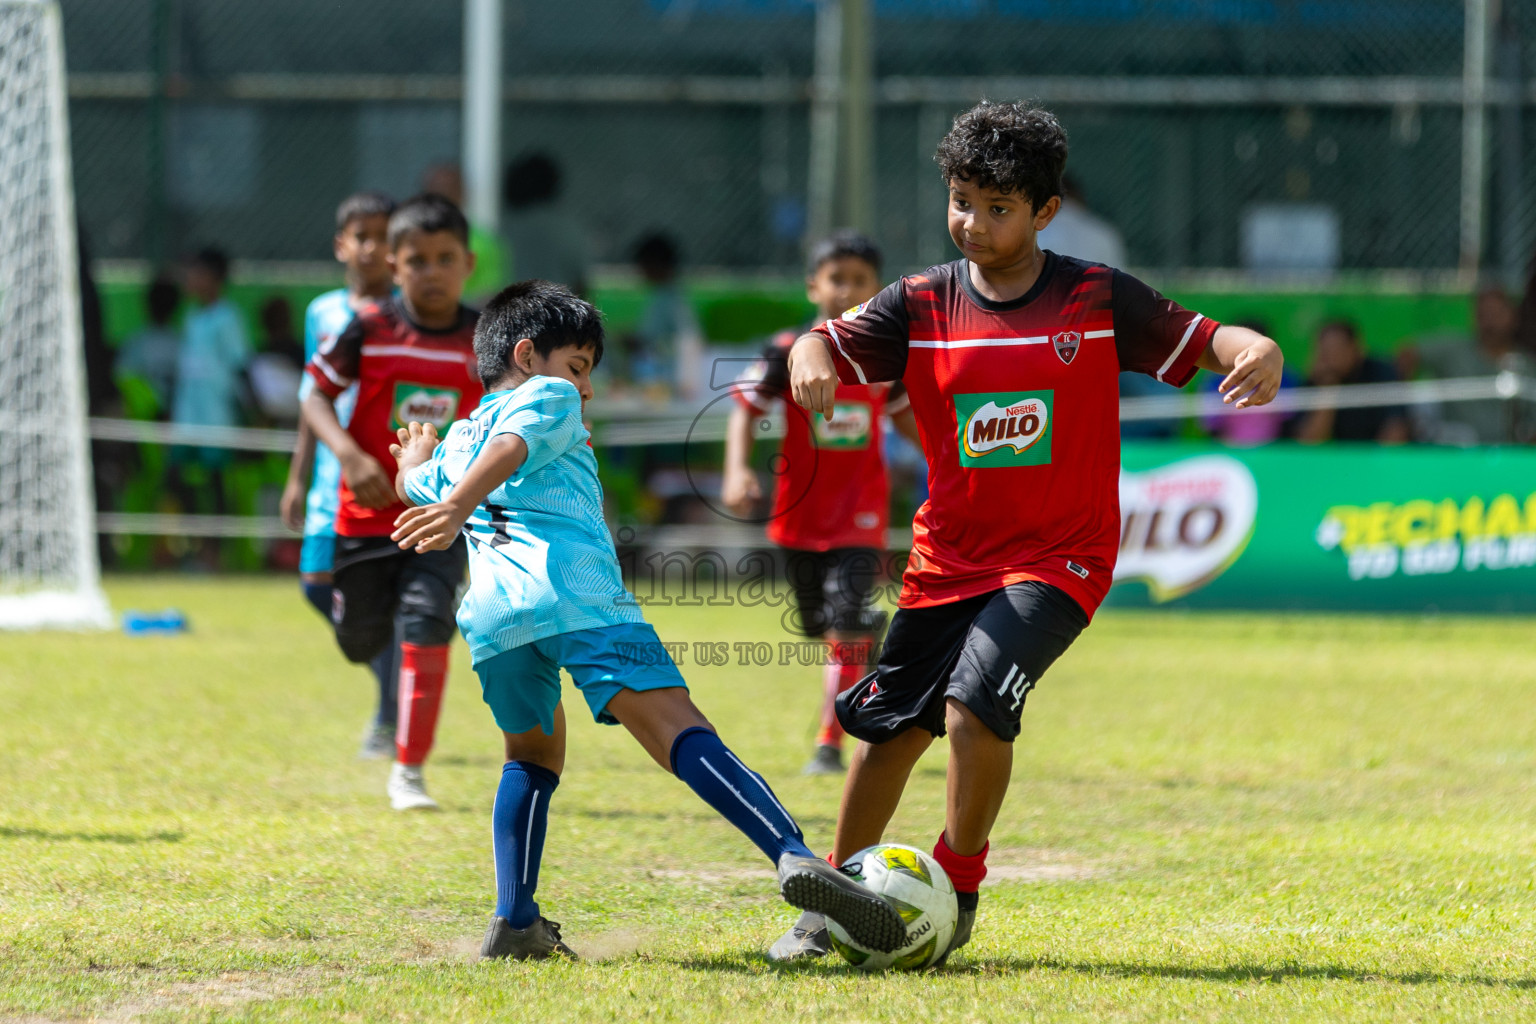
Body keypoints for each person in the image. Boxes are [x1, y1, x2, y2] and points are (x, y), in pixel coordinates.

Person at [774, 101, 1283, 963]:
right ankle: (831, 901)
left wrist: (1254, 346)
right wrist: (813, 358)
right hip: (947, 558)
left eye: (998, 207)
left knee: (975, 706)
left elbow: (1202, 336)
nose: (974, 222)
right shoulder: (921, 303)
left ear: (1046, 212)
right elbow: (821, 342)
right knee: (890, 729)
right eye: (962, 200)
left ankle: (957, 882)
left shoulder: (1095, 296)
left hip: (1061, 557)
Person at [386, 279, 906, 961]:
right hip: (577, 596)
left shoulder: (457, 438)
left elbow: (416, 486)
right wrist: (457, 505)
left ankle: (515, 921)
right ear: (526, 353)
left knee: (531, 758)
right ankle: (793, 854)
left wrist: (416, 469)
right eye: (579, 366)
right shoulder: (547, 394)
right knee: (680, 730)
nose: (586, 389)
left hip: (492, 616)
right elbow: (510, 447)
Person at [302, 194, 482, 810]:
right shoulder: (371, 328)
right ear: (395, 267)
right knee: (359, 637)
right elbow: (315, 396)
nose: (431, 271)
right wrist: (351, 458)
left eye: (444, 258)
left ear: (468, 263)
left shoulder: (486, 341)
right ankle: (373, 665)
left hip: (436, 520)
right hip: (364, 518)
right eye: (417, 260)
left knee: (428, 622)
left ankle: (408, 771)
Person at [720, 230, 918, 776]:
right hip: (799, 518)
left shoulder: (883, 358)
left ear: (877, 289)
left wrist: (950, 465)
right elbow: (743, 409)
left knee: (845, 620)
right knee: (820, 626)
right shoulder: (786, 351)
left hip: (863, 514)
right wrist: (736, 470)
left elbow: (905, 417)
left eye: (860, 281)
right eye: (837, 279)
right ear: (814, 285)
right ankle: (863, 643)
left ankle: (830, 742)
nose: (847, 290)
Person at [280, 191, 402, 760]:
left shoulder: (407, 314)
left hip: (386, 482)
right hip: (333, 479)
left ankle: (387, 715)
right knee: (315, 586)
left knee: (376, 592)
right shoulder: (324, 312)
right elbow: (314, 395)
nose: (372, 247)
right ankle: (388, 661)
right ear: (341, 245)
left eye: (384, 235)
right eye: (362, 235)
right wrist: (297, 476)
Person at [1400, 286, 1534, 445]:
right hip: (1458, 454)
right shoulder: (1453, 349)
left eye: (1497, 314)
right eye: (1484, 314)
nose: (1490, 321)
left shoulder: (1527, 365)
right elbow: (1406, 355)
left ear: (1514, 317)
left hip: (1508, 456)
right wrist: (1404, 414)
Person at [1292, 320, 1409, 444]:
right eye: (1326, 351)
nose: (1331, 358)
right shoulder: (1316, 380)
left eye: (1337, 349)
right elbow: (1309, 440)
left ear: (1356, 348)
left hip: (1376, 457)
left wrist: (1374, 461)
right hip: (1335, 460)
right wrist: (1328, 388)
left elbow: (1396, 431)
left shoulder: (1382, 373)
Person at [420, 162, 508, 303]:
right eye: (438, 190)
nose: (444, 195)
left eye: (451, 189)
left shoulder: (485, 242)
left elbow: (488, 296)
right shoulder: (410, 238)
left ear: (463, 193)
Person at [502, 153, 588, 296]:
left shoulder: (502, 229)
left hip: (509, 312)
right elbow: (581, 282)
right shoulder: (567, 229)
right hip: (557, 313)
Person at [115, 275, 181, 417]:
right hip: (155, 420)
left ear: (147, 305)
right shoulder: (182, 342)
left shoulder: (135, 342)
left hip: (151, 421)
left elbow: (122, 376)